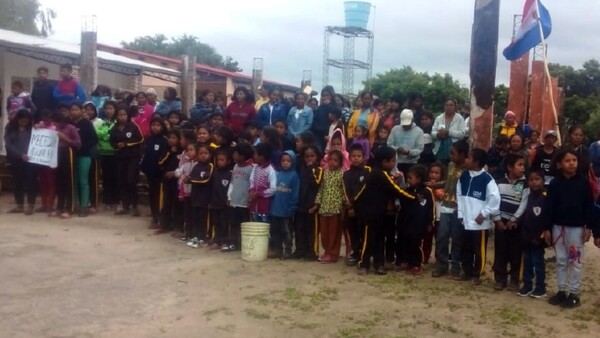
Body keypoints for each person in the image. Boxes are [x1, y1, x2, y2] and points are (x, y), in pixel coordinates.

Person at [542, 148, 594, 309]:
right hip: (558, 227)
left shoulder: (584, 183)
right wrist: (547, 228)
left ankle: (574, 293)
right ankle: (561, 290)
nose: (571, 164)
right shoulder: (555, 184)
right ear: (559, 164)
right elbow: (548, 207)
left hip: (576, 229)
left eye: (574, 161)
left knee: (575, 261)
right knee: (561, 260)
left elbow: (589, 206)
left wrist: (589, 227)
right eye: (567, 161)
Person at [355, 146, 416, 275]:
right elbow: (397, 190)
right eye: (392, 161)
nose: (394, 163)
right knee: (370, 240)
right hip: (370, 214)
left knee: (377, 239)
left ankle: (378, 264)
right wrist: (414, 197)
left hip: (377, 214)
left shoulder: (373, 172)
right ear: (384, 162)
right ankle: (364, 264)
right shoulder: (381, 174)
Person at [457, 148, 501, 284]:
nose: (465, 160)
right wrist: (460, 213)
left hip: (480, 224)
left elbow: (495, 199)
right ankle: (467, 271)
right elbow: (459, 195)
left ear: (476, 162)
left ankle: (477, 274)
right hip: (466, 221)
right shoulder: (463, 176)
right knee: (466, 248)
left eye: (468, 158)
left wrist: (484, 213)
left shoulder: (487, 179)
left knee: (479, 250)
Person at [433, 140, 469, 278]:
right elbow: (448, 183)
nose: (451, 156)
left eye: (453, 153)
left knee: (457, 238)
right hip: (446, 205)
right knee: (442, 237)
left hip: (459, 208)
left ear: (462, 155)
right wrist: (436, 185)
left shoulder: (467, 170)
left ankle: (455, 265)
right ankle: (442, 264)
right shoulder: (451, 165)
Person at [492, 153, 527, 291]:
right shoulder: (499, 182)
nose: (523, 168)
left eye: (524, 165)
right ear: (509, 167)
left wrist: (515, 220)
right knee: (500, 251)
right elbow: (494, 202)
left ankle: (515, 279)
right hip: (501, 223)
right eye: (519, 165)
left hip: (516, 224)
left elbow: (524, 205)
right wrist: (497, 220)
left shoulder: (525, 184)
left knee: (516, 252)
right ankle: (500, 279)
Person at [512, 168, 548, 298]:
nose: (534, 183)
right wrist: (516, 221)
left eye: (537, 179)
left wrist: (542, 235)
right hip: (526, 235)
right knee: (527, 261)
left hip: (538, 237)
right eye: (531, 180)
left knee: (538, 262)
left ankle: (540, 287)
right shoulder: (527, 194)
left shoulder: (546, 196)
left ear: (543, 181)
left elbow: (546, 217)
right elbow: (524, 211)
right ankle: (527, 285)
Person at [396, 165, 434, 275]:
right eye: (407, 177)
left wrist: (430, 222)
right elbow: (403, 207)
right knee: (406, 242)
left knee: (416, 243)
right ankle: (407, 261)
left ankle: (417, 264)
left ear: (419, 179)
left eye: (410, 178)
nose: (408, 180)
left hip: (419, 224)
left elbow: (430, 208)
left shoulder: (427, 192)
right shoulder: (407, 191)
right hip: (407, 223)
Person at [311, 149, 345, 264]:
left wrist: (344, 206)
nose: (332, 162)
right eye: (330, 160)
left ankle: (333, 254)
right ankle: (327, 251)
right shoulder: (324, 173)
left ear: (340, 162)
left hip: (336, 208)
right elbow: (321, 190)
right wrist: (317, 204)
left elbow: (343, 191)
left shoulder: (342, 174)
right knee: (324, 233)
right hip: (324, 208)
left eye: (335, 160)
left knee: (334, 233)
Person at [110, 105, 144, 217]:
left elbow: (140, 139)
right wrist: (117, 145)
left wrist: (126, 144)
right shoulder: (114, 129)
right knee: (122, 181)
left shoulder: (133, 126)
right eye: (120, 115)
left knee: (131, 181)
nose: (122, 117)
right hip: (120, 158)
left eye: (124, 114)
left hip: (133, 157)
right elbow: (112, 142)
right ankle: (124, 205)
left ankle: (134, 205)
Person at [4, 110, 37, 214]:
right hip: (16, 159)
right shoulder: (10, 128)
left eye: (26, 120)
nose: (24, 122)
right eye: (22, 120)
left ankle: (31, 205)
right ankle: (19, 205)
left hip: (31, 160)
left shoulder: (33, 129)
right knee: (18, 182)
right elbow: (9, 144)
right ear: (17, 119)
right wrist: (20, 155)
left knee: (31, 182)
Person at [293, 145, 323, 261]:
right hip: (300, 203)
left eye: (312, 156)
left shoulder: (319, 170)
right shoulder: (301, 169)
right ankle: (300, 249)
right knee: (299, 228)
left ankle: (312, 251)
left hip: (312, 205)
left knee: (312, 230)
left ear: (317, 157)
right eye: (307, 157)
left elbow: (316, 184)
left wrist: (311, 169)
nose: (309, 159)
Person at [269, 151, 300, 259]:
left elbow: (295, 193)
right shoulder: (277, 174)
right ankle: (277, 249)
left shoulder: (294, 175)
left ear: (293, 162)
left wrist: (292, 207)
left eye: (288, 161)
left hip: (286, 211)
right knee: (275, 231)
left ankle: (288, 250)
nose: (285, 163)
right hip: (275, 210)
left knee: (287, 232)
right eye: (283, 161)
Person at [343, 144, 370, 266]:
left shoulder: (367, 172)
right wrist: (349, 206)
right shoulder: (346, 174)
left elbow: (364, 190)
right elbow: (345, 190)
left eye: (359, 156)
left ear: (363, 157)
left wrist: (354, 204)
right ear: (349, 158)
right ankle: (355, 253)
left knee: (362, 232)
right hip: (350, 209)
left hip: (363, 208)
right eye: (353, 156)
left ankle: (364, 255)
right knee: (352, 232)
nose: (356, 158)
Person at [70, 103, 99, 217]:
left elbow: (94, 140)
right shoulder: (69, 123)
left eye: (76, 109)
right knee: (74, 181)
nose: (74, 112)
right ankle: (75, 204)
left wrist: (81, 146)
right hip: (71, 155)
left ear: (82, 111)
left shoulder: (87, 124)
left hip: (84, 155)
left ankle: (84, 206)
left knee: (83, 181)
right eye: (72, 109)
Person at [140, 117, 168, 228]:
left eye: (158, 125)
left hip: (160, 173)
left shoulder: (164, 140)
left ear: (162, 127)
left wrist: (161, 168)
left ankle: (160, 218)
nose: (155, 127)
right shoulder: (149, 139)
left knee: (159, 195)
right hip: (150, 172)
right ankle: (154, 216)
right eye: (153, 125)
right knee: (152, 195)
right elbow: (145, 155)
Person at [52, 112, 81, 219]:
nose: (56, 124)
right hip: (57, 154)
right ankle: (60, 207)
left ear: (62, 121)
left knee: (69, 181)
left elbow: (78, 143)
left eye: (57, 122)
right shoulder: (54, 128)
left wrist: (65, 139)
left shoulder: (71, 128)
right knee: (59, 182)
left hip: (68, 153)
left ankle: (70, 208)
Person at [226, 143, 254, 252]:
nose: (234, 155)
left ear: (243, 156)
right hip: (234, 201)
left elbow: (251, 186)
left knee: (244, 224)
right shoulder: (235, 166)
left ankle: (244, 243)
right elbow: (232, 183)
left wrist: (250, 200)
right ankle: (233, 243)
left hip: (244, 203)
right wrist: (229, 196)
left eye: (236, 154)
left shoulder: (251, 168)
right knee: (233, 223)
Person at [157, 129, 183, 235]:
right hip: (167, 181)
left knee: (177, 204)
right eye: (170, 138)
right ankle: (164, 225)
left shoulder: (182, 151)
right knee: (166, 203)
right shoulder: (166, 150)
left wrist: (175, 173)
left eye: (174, 138)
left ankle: (177, 226)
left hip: (178, 181)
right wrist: (170, 152)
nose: (171, 140)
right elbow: (160, 162)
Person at [187, 144, 214, 248]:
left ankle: (203, 237)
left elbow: (205, 180)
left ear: (210, 155)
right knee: (195, 217)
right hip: (195, 197)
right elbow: (191, 177)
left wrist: (190, 180)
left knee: (203, 218)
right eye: (201, 153)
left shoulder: (210, 166)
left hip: (205, 198)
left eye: (205, 153)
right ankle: (196, 236)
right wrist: (188, 179)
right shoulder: (196, 166)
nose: (203, 156)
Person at [175, 132, 198, 242]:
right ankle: (188, 233)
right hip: (186, 192)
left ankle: (195, 234)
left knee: (194, 214)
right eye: (188, 150)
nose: (189, 152)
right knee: (187, 214)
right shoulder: (186, 163)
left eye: (192, 150)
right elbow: (179, 173)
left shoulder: (198, 164)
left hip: (195, 193)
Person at [95, 101, 118, 210]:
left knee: (115, 177)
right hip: (104, 153)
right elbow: (98, 133)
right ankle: (107, 200)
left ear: (115, 109)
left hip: (115, 153)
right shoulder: (101, 122)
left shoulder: (118, 122)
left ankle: (115, 200)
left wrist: (105, 134)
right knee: (106, 177)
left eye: (111, 108)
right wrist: (107, 134)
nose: (108, 111)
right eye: (106, 109)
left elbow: (113, 135)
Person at [387, 109, 425, 175]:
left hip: (411, 163)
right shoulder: (395, 129)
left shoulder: (419, 131)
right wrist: (396, 149)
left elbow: (419, 149)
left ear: (412, 120)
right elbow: (389, 144)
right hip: (396, 162)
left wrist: (408, 152)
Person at [208, 149, 232, 250]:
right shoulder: (215, 173)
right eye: (218, 160)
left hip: (225, 204)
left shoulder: (230, 174)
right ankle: (216, 240)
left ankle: (224, 240)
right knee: (216, 222)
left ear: (228, 161)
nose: (219, 162)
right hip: (214, 203)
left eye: (222, 160)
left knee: (224, 223)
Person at [34, 109, 57, 213]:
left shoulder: (55, 127)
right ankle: (44, 204)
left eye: (48, 119)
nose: (46, 121)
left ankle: (50, 204)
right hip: (41, 159)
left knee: (51, 182)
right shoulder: (40, 125)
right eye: (44, 119)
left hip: (50, 159)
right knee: (43, 182)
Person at [423, 162, 445, 264]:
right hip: (428, 218)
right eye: (432, 172)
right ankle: (425, 257)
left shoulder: (443, 187)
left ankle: (439, 258)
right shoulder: (425, 186)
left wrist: (434, 187)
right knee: (427, 238)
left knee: (439, 239)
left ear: (441, 175)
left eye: (436, 173)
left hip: (439, 217)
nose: (433, 175)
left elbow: (441, 197)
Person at [431, 98, 466, 165]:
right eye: (447, 105)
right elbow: (432, 133)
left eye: (451, 105)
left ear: (455, 107)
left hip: (454, 150)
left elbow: (462, 134)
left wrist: (448, 132)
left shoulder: (459, 118)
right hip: (440, 150)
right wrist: (438, 135)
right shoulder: (439, 118)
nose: (449, 107)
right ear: (444, 106)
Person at [311, 86, 337, 151]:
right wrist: (323, 134)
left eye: (328, 95)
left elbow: (334, 119)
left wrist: (328, 105)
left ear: (332, 96)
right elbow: (315, 122)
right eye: (324, 95)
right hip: (319, 136)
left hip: (331, 136)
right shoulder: (319, 108)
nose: (326, 97)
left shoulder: (335, 107)